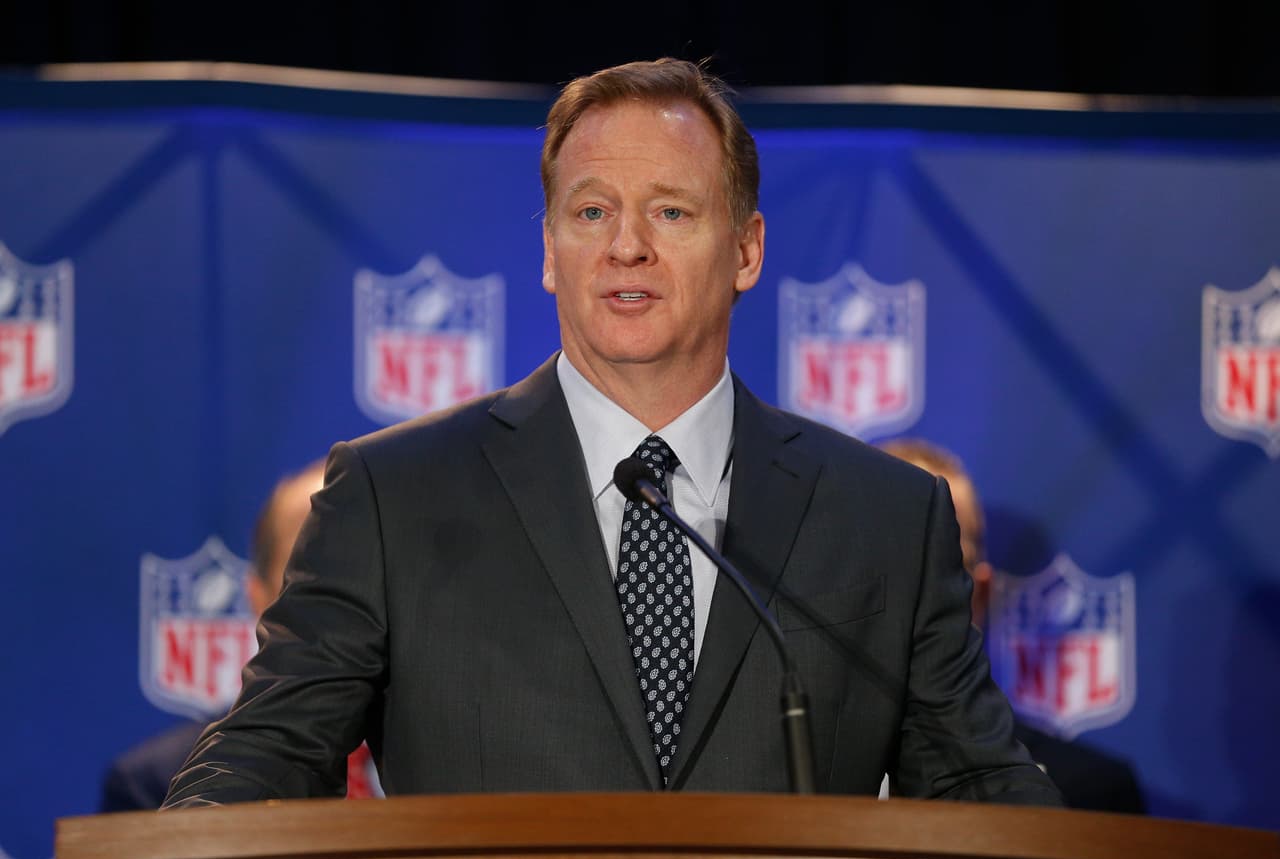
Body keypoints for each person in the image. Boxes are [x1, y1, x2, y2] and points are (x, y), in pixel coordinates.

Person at [164, 58, 1060, 806]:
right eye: (591, 212)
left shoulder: (886, 518)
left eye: (671, 211)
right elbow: (264, 761)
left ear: (747, 249)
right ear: (550, 252)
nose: (626, 245)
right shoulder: (392, 496)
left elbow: (981, 792)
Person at [879, 438, 1145, 813]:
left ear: (981, 594)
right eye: (886, 562)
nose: (912, 590)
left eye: (941, 565)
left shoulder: (1091, 792)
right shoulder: (796, 773)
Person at [100, 462, 379, 811]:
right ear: (258, 599)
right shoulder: (154, 784)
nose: (349, 600)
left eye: (367, 571)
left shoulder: (444, 763)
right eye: (319, 576)